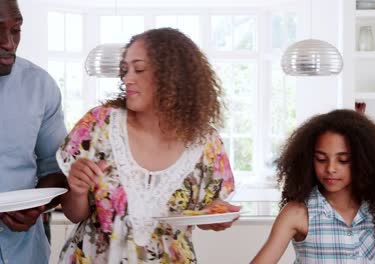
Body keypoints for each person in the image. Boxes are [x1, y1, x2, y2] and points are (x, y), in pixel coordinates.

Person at [56, 28, 240, 263]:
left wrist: (217, 216)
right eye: (125, 70)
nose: (127, 78)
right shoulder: (98, 125)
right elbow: (74, 214)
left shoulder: (206, 144)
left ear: (173, 76)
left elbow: (208, 212)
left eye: (139, 69)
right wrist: (77, 189)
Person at [251, 109, 375, 263]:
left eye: (343, 160)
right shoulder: (297, 213)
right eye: (321, 159)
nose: (330, 169)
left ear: (364, 161)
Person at [0, 0, 68, 263]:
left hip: (25, 252)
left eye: (15, 30)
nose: (8, 43)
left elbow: (56, 169)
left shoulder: (41, 86)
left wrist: (37, 207)